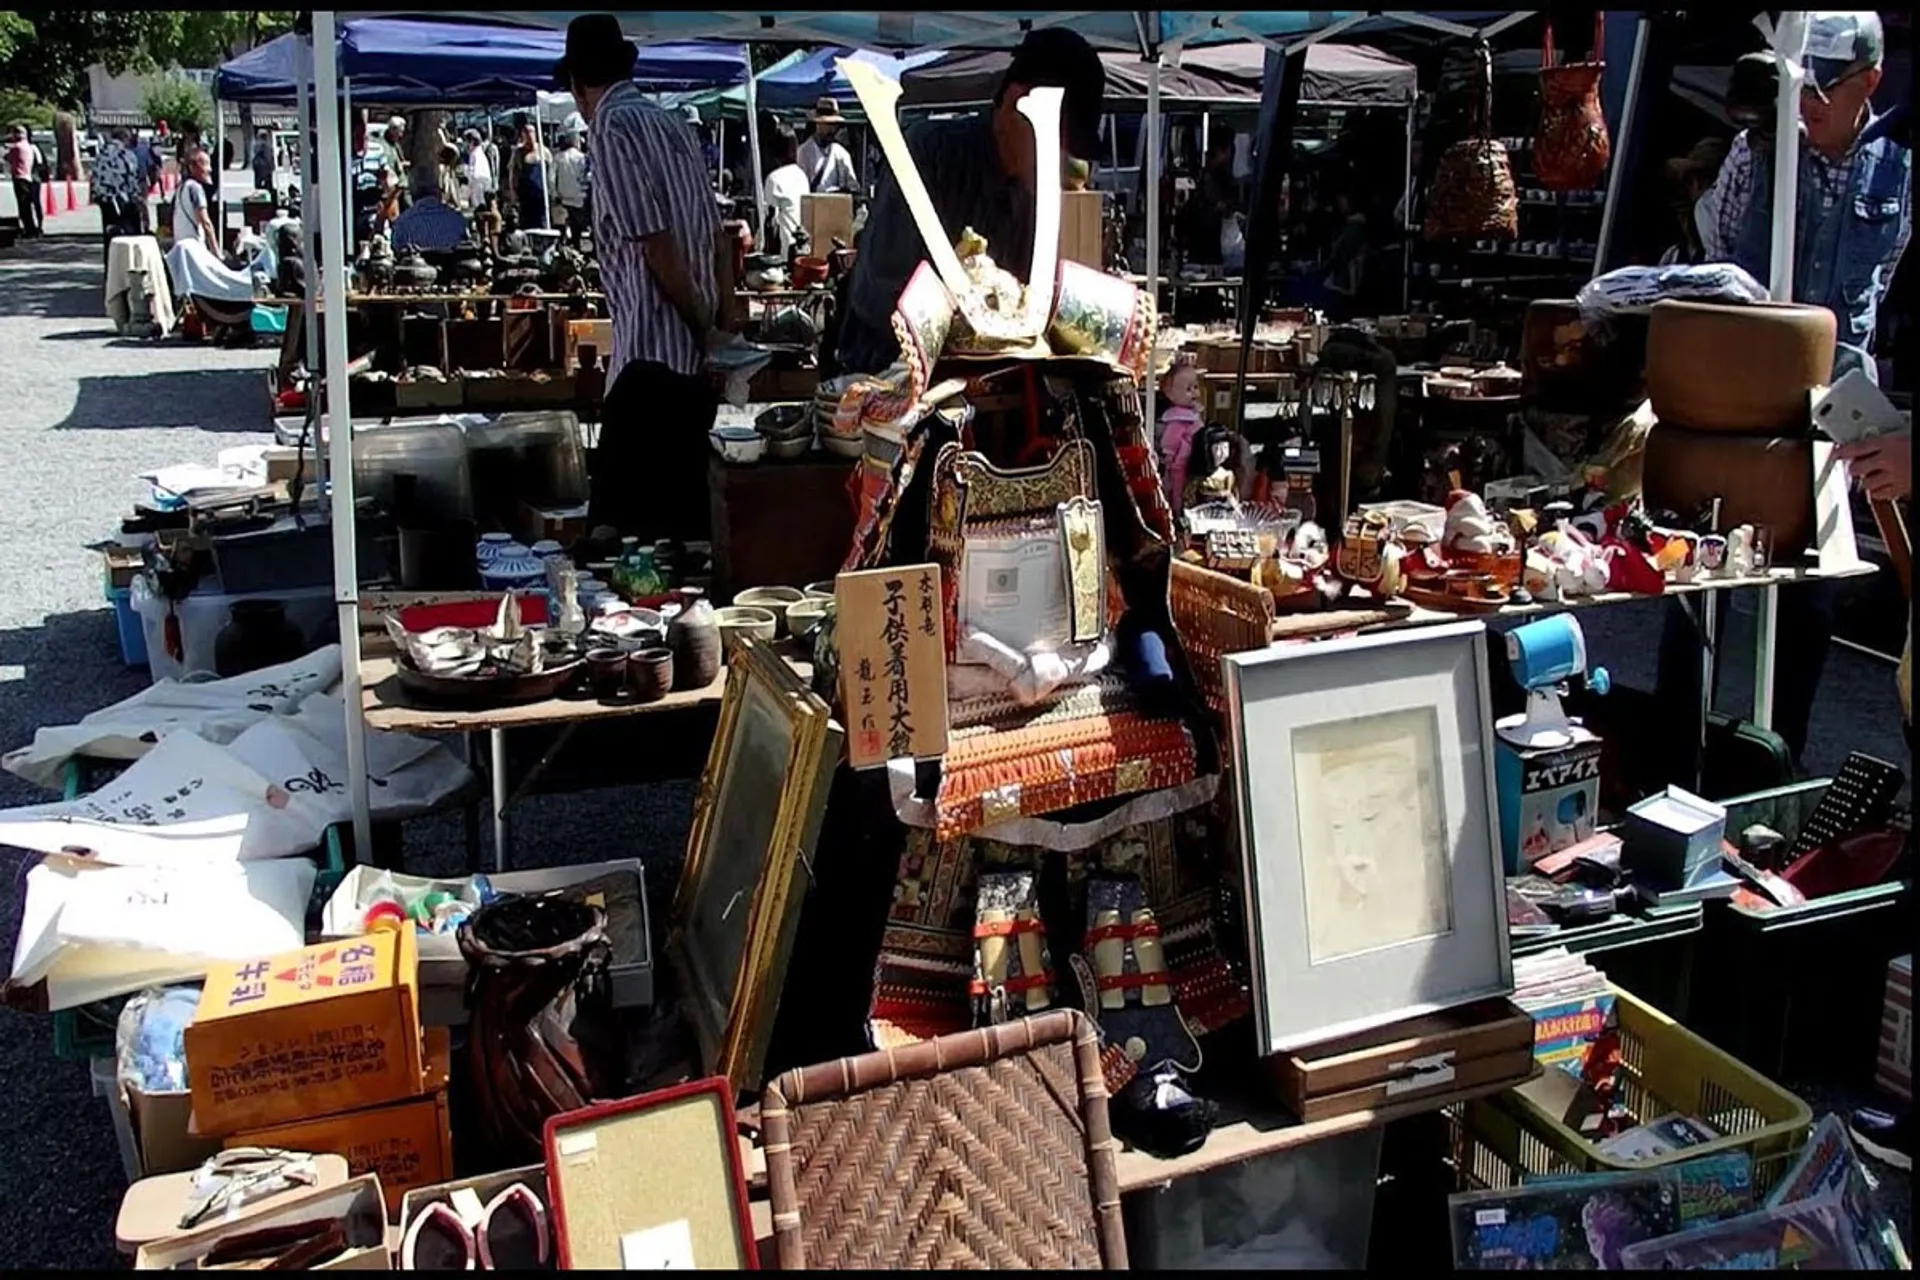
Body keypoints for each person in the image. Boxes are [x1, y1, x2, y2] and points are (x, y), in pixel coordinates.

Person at [1655, 12, 1911, 782]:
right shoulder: (1757, 148)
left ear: (1869, 81)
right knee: (1698, 573)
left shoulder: (1899, 164)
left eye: (1825, 90)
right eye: (1800, 88)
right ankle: (1673, 755)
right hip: (1734, 395)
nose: (1808, 106)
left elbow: (1884, 275)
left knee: (1808, 591)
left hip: (1831, 402)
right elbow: (1719, 252)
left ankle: (1777, 768)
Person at [836, 27, 1107, 375]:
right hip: (885, 373)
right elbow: (879, 293)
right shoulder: (930, 154)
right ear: (1016, 103)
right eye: (1060, 141)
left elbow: (1025, 308)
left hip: (983, 385)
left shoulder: (1029, 193)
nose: (1063, 161)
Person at [556, 13, 730, 541]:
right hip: (687, 368)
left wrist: (705, 327)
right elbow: (718, 237)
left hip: (650, 364)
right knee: (682, 537)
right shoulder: (672, 122)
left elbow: (656, 244)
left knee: (623, 540)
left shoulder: (611, 126)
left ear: (578, 86)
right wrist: (719, 326)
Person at [388, 158, 469, 253]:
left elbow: (396, 251)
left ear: (413, 190)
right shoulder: (457, 220)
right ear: (438, 187)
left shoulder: (402, 224)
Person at [92, 127, 148, 263]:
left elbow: (95, 178)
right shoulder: (126, 155)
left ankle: (110, 266)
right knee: (129, 236)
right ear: (125, 138)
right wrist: (139, 200)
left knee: (110, 235)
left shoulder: (101, 155)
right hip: (124, 200)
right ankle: (128, 265)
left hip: (106, 200)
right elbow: (132, 179)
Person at [761, 119, 810, 258]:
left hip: (784, 251)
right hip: (802, 247)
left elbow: (770, 222)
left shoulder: (774, 179)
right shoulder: (801, 176)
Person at [798, 96, 859, 194]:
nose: (833, 129)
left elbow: (853, 186)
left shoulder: (841, 153)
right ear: (818, 124)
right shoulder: (804, 152)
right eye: (829, 124)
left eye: (835, 125)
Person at [172, 147, 219, 255]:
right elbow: (206, 223)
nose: (210, 169)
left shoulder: (181, 187)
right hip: (194, 249)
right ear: (192, 167)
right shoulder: (195, 188)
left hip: (181, 247)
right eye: (205, 164)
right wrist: (216, 251)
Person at [511, 118, 551, 229]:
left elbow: (551, 172)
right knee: (526, 223)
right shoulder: (518, 153)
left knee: (542, 223)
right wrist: (513, 192)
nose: (529, 135)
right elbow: (514, 173)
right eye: (526, 132)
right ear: (523, 135)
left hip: (541, 193)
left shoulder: (544, 151)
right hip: (525, 195)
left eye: (531, 132)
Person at [552, 130, 590, 243]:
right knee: (578, 229)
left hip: (562, 199)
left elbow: (551, 179)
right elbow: (587, 178)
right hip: (579, 199)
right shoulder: (582, 158)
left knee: (561, 228)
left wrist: (554, 194)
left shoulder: (558, 158)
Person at [6, 126, 43, 239]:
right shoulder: (29, 147)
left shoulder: (16, 147)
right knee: (30, 205)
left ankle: (29, 229)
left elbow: (8, 158)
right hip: (29, 177)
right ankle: (33, 228)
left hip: (19, 178)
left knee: (23, 206)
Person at [462, 128, 495, 211]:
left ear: (472, 142)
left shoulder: (475, 154)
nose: (465, 144)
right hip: (484, 181)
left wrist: (469, 185)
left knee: (479, 207)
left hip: (478, 183)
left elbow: (473, 172)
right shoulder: (480, 153)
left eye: (466, 141)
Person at [251, 129, 275, 194]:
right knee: (266, 183)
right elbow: (268, 156)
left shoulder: (257, 144)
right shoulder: (264, 145)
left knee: (260, 182)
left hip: (261, 165)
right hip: (263, 165)